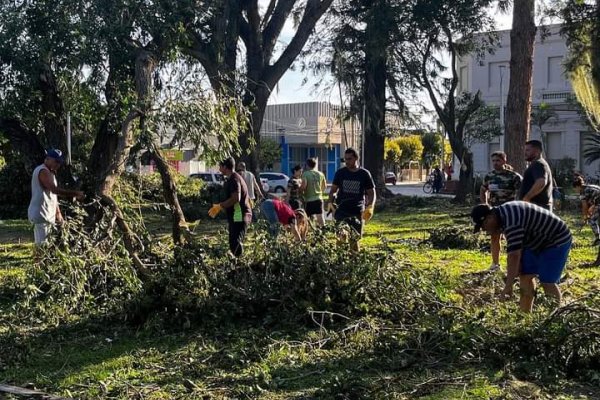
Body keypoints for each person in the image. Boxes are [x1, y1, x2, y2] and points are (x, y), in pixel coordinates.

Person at [471, 201, 572, 312]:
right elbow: (516, 251)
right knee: (525, 276)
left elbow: (514, 255)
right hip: (534, 240)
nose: (485, 230)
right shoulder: (500, 215)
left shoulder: (511, 222)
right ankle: (525, 314)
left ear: (490, 218)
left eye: (484, 226)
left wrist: (508, 285)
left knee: (547, 281)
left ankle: (555, 315)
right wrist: (517, 268)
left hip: (556, 239)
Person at [27, 149, 85, 246]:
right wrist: (76, 193)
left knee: (47, 245)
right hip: (41, 214)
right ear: (48, 159)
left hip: (47, 214)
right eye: (56, 161)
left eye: (60, 162)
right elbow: (54, 190)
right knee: (42, 246)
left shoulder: (51, 173)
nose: (58, 165)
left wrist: (58, 213)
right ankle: (39, 261)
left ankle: (43, 261)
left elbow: (53, 196)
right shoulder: (43, 171)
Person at [479, 151, 523, 271]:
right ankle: (495, 264)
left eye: (498, 160)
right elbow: (483, 189)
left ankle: (515, 264)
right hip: (495, 211)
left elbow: (522, 192)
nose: (495, 163)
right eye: (493, 161)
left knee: (511, 238)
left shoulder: (513, 176)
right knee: (494, 236)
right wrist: (485, 204)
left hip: (510, 212)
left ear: (504, 161)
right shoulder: (489, 176)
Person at [327, 148, 376, 250]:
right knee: (341, 237)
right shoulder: (340, 173)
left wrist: (370, 206)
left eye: (349, 159)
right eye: (345, 159)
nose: (347, 162)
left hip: (357, 212)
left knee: (354, 240)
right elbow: (333, 190)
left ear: (356, 158)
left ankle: (354, 262)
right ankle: (340, 261)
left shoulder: (364, 174)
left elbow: (371, 193)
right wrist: (330, 202)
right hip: (341, 211)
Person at [208, 157, 252, 257]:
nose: (219, 169)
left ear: (225, 167)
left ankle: (240, 266)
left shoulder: (234, 179)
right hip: (236, 215)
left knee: (235, 243)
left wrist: (220, 206)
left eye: (220, 166)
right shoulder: (232, 179)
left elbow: (236, 198)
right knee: (233, 242)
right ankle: (237, 264)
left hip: (239, 215)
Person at [518, 140, 554, 212]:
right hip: (539, 207)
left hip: (536, 208)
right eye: (525, 150)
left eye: (528, 150)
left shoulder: (538, 164)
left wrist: (527, 198)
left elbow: (541, 182)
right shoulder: (540, 164)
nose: (525, 153)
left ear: (537, 151)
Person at [573, 175, 600, 247]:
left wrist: (585, 217)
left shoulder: (583, 192)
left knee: (592, 220)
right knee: (592, 216)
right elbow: (592, 202)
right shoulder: (589, 187)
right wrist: (590, 211)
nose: (575, 191)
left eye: (575, 189)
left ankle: (598, 239)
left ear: (578, 187)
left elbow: (584, 206)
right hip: (597, 202)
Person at [301, 158, 327, 226]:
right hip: (319, 198)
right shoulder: (321, 174)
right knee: (320, 217)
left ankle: (308, 233)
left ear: (307, 165)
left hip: (309, 199)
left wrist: (300, 192)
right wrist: (319, 192)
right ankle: (324, 231)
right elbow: (324, 186)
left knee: (307, 218)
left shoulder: (305, 174)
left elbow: (304, 186)